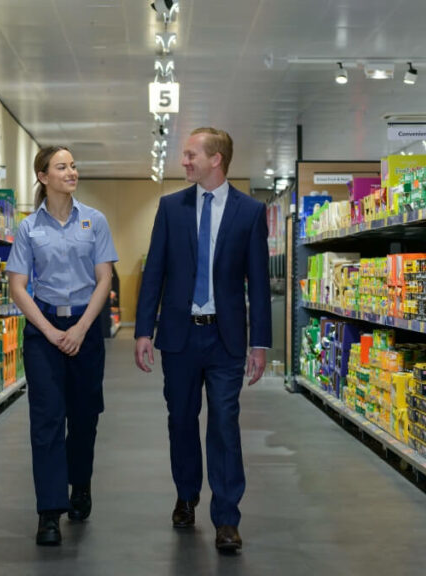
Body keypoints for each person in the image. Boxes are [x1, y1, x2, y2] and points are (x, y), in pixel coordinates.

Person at [134, 127, 271, 553]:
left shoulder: (249, 212)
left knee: (225, 424)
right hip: (178, 336)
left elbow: (259, 283)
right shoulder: (171, 208)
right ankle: (187, 493)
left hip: (225, 337)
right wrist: (143, 330)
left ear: (216, 160)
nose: (185, 162)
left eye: (192, 155)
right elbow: (154, 271)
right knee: (181, 420)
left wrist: (260, 343)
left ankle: (227, 518)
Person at [7, 146, 118, 546]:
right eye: (62, 166)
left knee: (85, 415)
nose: (72, 171)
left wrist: (82, 327)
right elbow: (18, 286)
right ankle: (49, 512)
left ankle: (81, 483)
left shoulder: (95, 221)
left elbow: (104, 278)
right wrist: (51, 331)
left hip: (85, 327)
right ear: (43, 176)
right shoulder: (28, 228)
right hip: (43, 329)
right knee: (47, 419)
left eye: (73, 165)